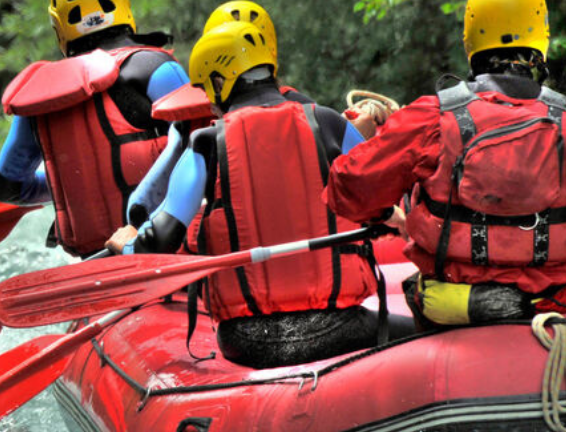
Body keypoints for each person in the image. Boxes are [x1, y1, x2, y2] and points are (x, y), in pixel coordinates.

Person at [108, 21, 378, 368]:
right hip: (341, 326)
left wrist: (126, 245)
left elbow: (160, 241)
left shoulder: (205, 144)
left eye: (207, 89)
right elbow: (384, 191)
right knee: (417, 328)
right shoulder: (328, 123)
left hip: (250, 339)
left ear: (220, 82)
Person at [324, 0, 566, 328]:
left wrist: (387, 207)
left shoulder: (431, 117)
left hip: (454, 307)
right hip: (550, 306)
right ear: (542, 40)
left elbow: (347, 191)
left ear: (471, 40)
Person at [0, 0, 188, 256]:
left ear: (59, 26)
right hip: (165, 245)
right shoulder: (154, 68)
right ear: (122, 4)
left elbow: (8, 187)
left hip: (94, 261)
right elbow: (202, 146)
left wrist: (72, 181)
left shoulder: (38, 97)